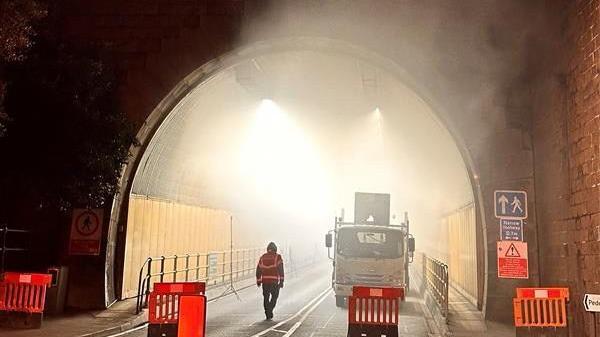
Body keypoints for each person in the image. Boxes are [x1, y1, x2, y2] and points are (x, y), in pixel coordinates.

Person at [256, 242, 284, 320]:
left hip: (265, 281)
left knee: (266, 297)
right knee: (274, 297)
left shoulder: (263, 257)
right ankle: (270, 310)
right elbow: (281, 270)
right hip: (274, 281)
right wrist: (281, 281)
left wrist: (258, 280)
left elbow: (258, 269)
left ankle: (267, 312)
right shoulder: (277, 257)